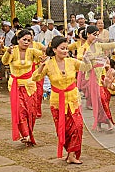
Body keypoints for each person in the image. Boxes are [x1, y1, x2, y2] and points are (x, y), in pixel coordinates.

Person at [33, 36, 90, 164]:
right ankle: (69, 152)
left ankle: (72, 154)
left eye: (66, 48)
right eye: (62, 48)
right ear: (54, 50)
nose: (65, 51)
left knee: (78, 126)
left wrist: (87, 60)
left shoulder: (72, 61)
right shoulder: (48, 64)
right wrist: (41, 67)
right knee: (63, 130)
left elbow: (86, 68)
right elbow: (35, 78)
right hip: (57, 102)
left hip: (73, 100)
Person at [1, 29, 43, 146]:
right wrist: (8, 51)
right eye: (24, 39)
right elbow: (4, 62)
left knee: (31, 111)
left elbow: (45, 55)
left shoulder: (32, 51)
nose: (26, 42)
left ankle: (29, 133)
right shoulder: (13, 51)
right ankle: (25, 135)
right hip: (16, 86)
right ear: (18, 40)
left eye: (28, 40)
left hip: (30, 86)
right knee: (20, 111)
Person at [77, 25, 115, 131]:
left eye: (97, 35)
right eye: (94, 35)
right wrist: (90, 58)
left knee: (104, 99)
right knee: (99, 99)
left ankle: (99, 123)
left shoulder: (98, 45)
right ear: (88, 34)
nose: (96, 37)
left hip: (102, 76)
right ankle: (107, 122)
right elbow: (79, 57)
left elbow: (109, 45)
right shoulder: (83, 48)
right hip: (91, 77)